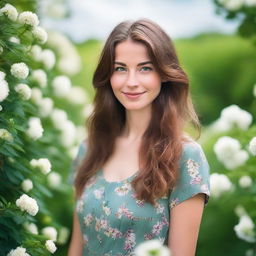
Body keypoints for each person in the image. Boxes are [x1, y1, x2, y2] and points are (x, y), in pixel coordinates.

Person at [68, 18, 211, 256]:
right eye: (120, 69)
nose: (131, 82)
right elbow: (76, 248)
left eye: (145, 68)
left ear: (164, 74)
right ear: (108, 76)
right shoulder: (90, 148)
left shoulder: (185, 156)